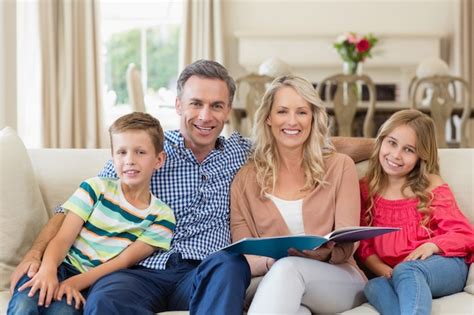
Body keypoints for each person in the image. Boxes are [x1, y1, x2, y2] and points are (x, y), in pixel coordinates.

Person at [10, 60, 374, 314]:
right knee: (106, 297)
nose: (205, 116)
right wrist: (35, 254)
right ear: (178, 104)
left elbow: (309, 141)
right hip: (142, 270)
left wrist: (385, 148)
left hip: (206, 270)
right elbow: (75, 208)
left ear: (228, 110)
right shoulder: (146, 151)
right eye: (196, 104)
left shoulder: (243, 151)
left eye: (216, 106)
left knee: (230, 265)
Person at [7, 112, 176, 314]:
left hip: (91, 282)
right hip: (58, 264)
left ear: (159, 160)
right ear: (112, 158)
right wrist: (48, 270)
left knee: (62, 312)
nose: (130, 160)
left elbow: (123, 262)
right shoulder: (95, 188)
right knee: (24, 306)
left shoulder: (162, 216)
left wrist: (75, 283)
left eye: (140, 152)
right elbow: (62, 239)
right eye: (122, 152)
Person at [231, 75, 367, 314]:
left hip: (338, 278)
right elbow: (244, 253)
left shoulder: (339, 166)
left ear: (313, 118)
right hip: (271, 279)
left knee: (290, 268)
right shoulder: (245, 179)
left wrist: (325, 254)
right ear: (268, 119)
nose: (292, 121)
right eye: (282, 111)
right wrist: (271, 262)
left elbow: (349, 241)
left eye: (302, 112)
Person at [357, 109, 474, 315]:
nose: (396, 155)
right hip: (398, 273)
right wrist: (387, 272)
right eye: (392, 143)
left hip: (444, 266)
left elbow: (465, 234)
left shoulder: (430, 185)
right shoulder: (366, 188)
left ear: (421, 156)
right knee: (373, 286)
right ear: (381, 140)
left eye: (408, 150)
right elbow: (364, 247)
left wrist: (432, 245)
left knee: (407, 269)